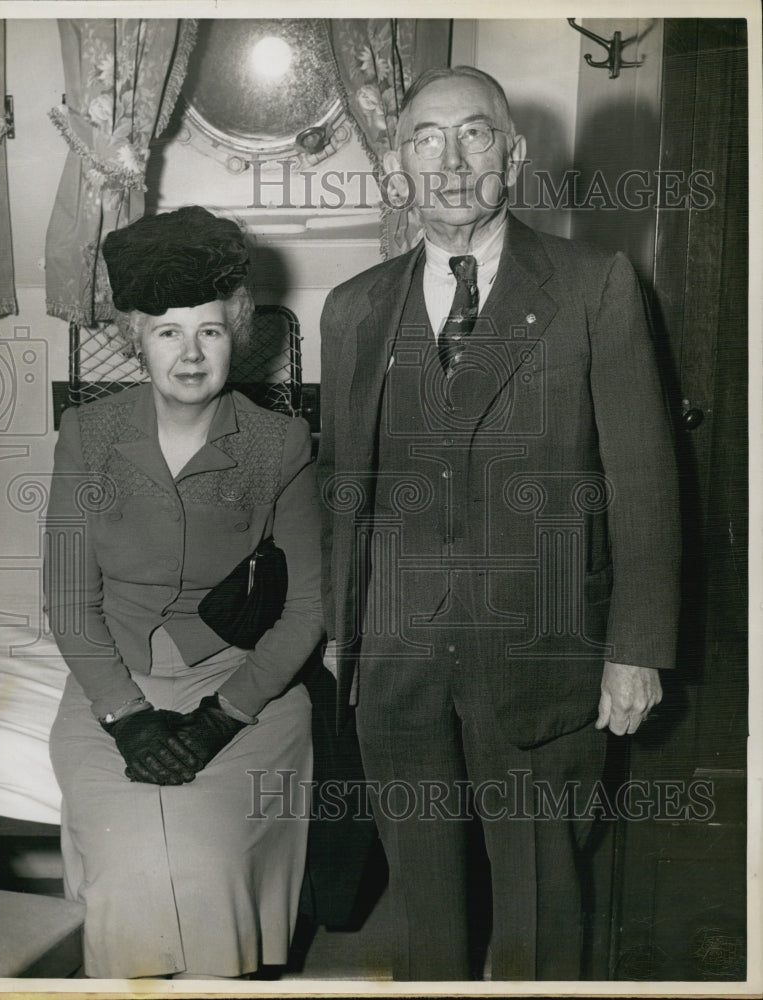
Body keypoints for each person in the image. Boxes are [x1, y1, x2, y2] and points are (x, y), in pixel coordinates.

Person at [317, 67, 680, 981]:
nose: (449, 162)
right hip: (396, 665)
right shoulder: (353, 307)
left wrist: (634, 646)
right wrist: (340, 634)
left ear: (513, 155)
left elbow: (643, 479)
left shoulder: (593, 285)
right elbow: (341, 483)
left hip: (542, 659)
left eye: (473, 135)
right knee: (425, 920)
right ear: (398, 161)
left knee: (542, 917)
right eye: (424, 139)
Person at [44, 206, 323, 979]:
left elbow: (306, 610)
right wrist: (126, 720)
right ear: (136, 339)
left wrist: (219, 721)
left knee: (209, 858)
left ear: (237, 331)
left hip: (242, 691)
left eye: (210, 329)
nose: (191, 352)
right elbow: (68, 601)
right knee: (132, 861)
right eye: (167, 331)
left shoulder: (280, 443)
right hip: (114, 682)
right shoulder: (86, 436)